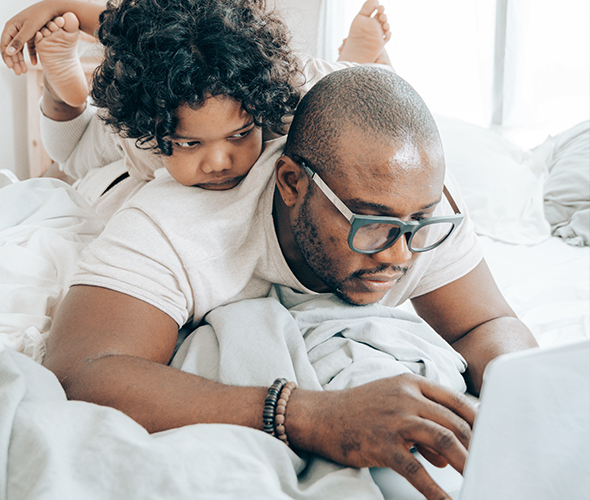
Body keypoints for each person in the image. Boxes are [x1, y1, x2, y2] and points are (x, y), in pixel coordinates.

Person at [42, 65, 538, 500]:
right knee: (100, 166)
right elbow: (81, 369)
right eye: (369, 224)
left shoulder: (414, 211)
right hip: (116, 183)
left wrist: (521, 401)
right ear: (291, 183)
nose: (398, 254)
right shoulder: (176, 223)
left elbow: (488, 322)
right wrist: (314, 416)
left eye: (417, 223)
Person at [1, 0, 391, 198]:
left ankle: (355, 57)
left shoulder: (284, 91)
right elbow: (128, 28)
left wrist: (377, 62)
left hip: (282, 78)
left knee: (350, 84)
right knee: (73, 154)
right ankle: (62, 89)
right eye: (190, 144)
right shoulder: (144, 134)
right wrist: (57, 7)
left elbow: (385, 102)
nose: (219, 163)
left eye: (239, 135)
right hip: (153, 110)